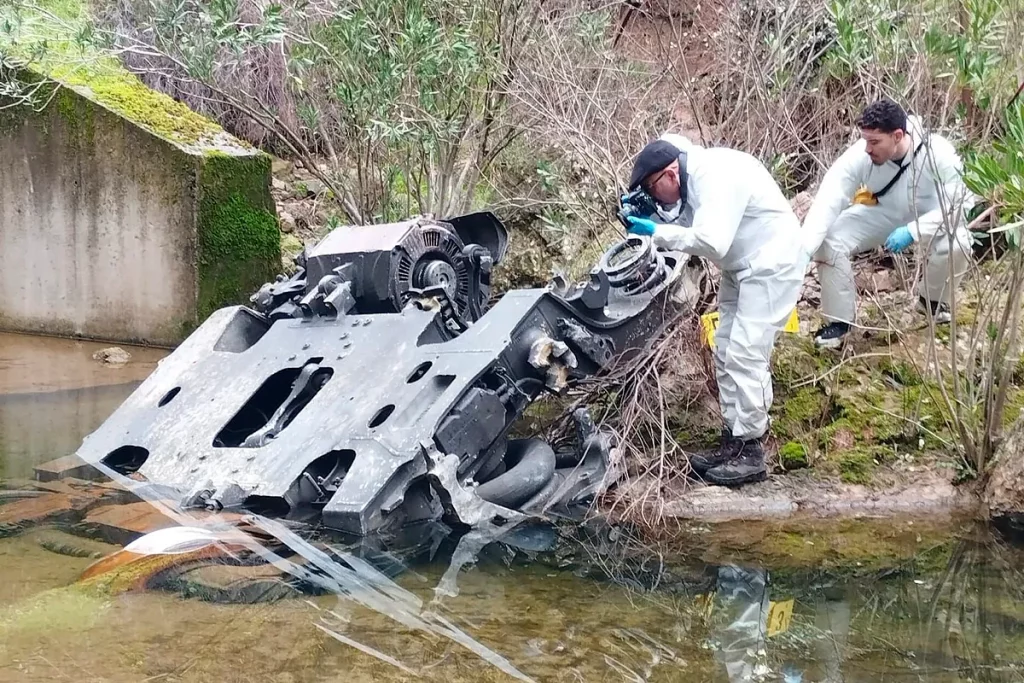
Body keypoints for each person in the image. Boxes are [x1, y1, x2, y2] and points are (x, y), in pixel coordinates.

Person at [621, 133, 806, 487]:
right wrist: (651, 216)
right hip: (743, 266)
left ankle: (752, 451)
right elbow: (694, 227)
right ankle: (734, 439)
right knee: (724, 348)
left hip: (772, 263)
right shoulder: (692, 179)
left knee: (746, 352)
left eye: (651, 187)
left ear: (670, 175)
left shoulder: (715, 176)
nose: (652, 194)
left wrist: (656, 232)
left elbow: (711, 240)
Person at [802, 99, 977, 348]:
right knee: (830, 241)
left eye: (875, 142)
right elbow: (830, 197)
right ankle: (839, 323)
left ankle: (933, 301)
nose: (867, 149)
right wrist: (805, 246)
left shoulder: (939, 152)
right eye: (865, 140)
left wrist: (914, 230)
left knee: (960, 241)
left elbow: (960, 204)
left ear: (897, 135)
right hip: (883, 213)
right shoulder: (859, 156)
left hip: (931, 218)